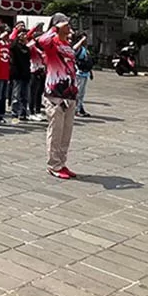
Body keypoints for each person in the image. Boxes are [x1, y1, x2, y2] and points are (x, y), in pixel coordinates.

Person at [38, 13, 79, 180]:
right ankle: (53, 164)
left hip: (69, 93)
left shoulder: (67, 44)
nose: (68, 26)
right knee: (56, 131)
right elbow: (41, 41)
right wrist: (55, 28)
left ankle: (62, 162)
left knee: (66, 132)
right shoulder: (51, 43)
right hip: (55, 94)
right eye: (65, 24)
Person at [8, 23, 31, 122]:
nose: (24, 36)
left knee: (25, 96)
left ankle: (23, 113)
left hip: (26, 74)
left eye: (25, 34)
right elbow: (11, 42)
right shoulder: (15, 46)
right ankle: (14, 114)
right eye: (22, 34)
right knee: (16, 96)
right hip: (17, 74)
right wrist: (16, 30)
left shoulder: (26, 48)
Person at [28, 23, 47, 121]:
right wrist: (34, 38)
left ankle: (38, 110)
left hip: (42, 71)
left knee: (39, 92)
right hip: (34, 71)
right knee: (33, 92)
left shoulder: (43, 48)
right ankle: (31, 111)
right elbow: (28, 44)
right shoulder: (33, 47)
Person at [73, 34, 93, 117]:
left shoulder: (85, 49)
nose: (86, 41)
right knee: (78, 92)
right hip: (79, 73)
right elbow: (73, 49)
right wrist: (81, 41)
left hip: (85, 73)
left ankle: (80, 108)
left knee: (82, 93)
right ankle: (76, 109)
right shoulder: (79, 48)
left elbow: (88, 61)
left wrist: (91, 72)